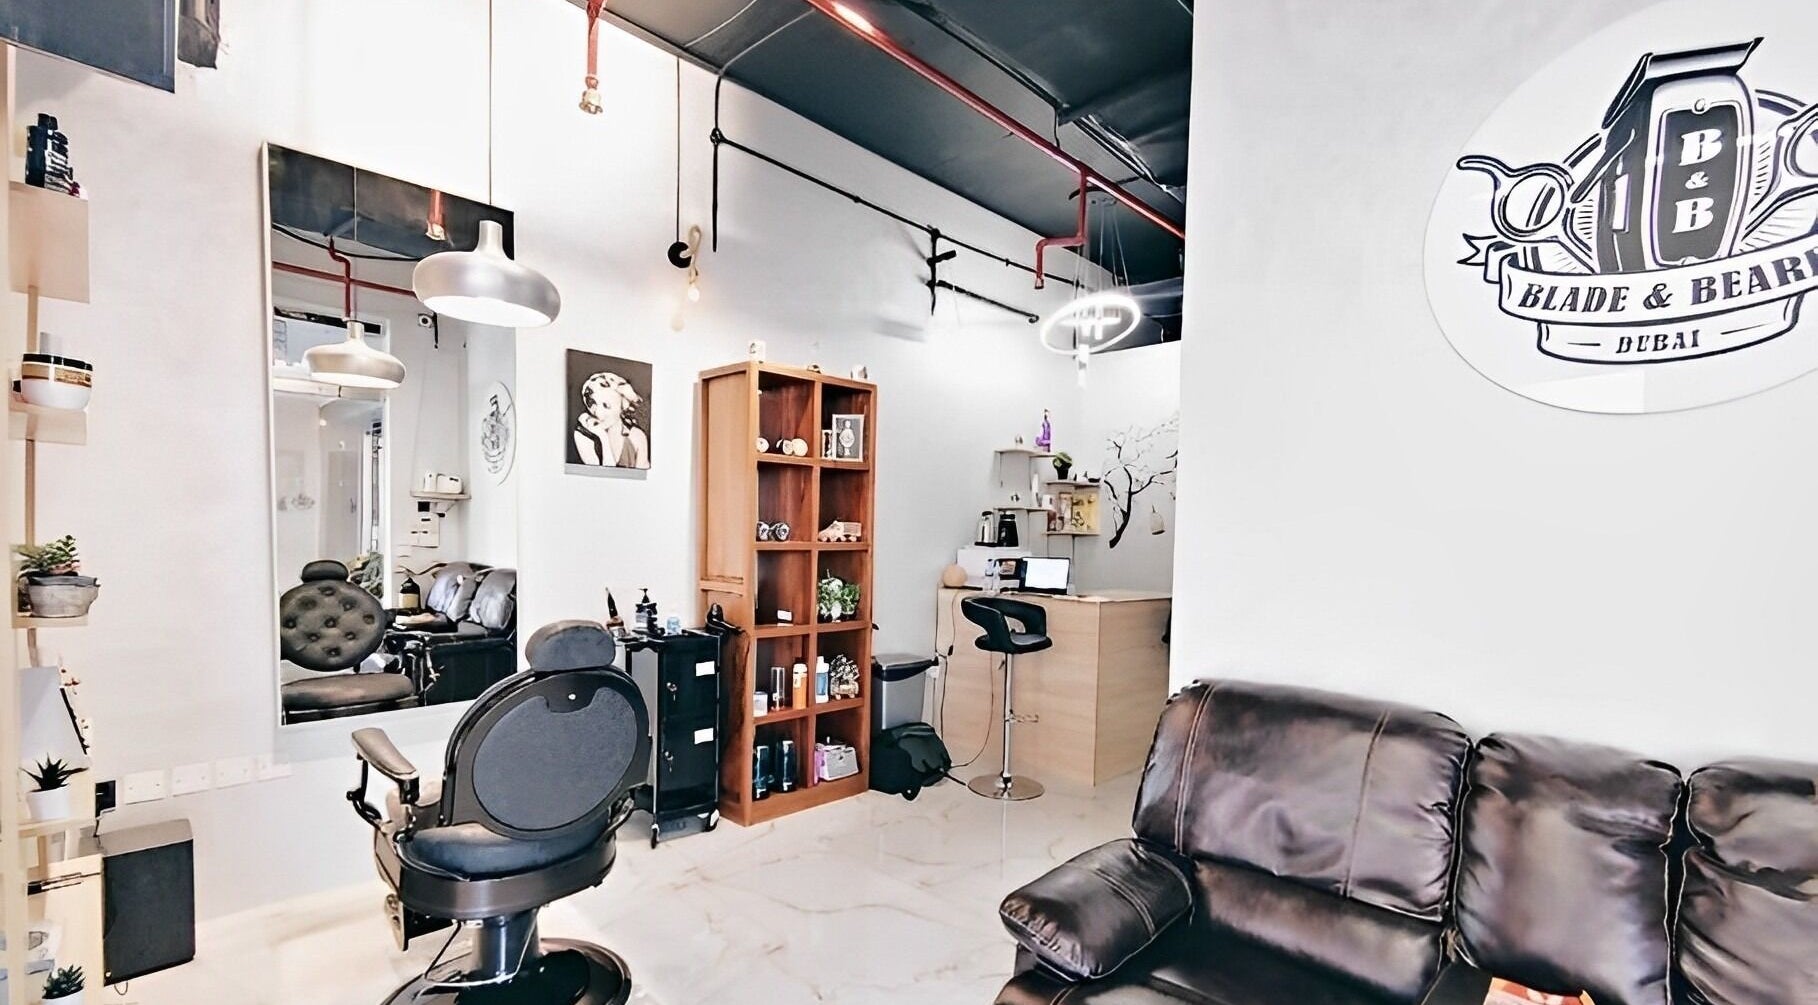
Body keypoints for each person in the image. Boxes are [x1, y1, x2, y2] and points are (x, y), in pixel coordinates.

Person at [573, 370, 650, 469]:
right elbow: (602, 475)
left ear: (622, 405)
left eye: (606, 406)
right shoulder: (583, 434)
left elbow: (644, 476)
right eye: (594, 405)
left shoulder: (637, 436)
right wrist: (603, 438)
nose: (599, 413)